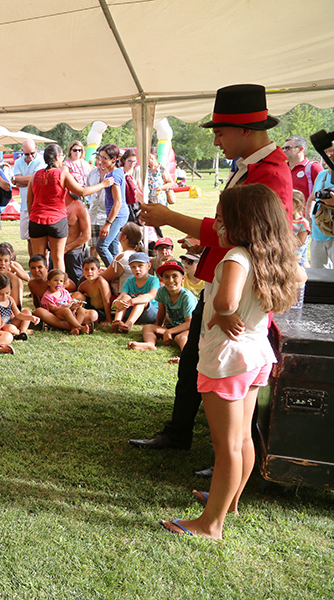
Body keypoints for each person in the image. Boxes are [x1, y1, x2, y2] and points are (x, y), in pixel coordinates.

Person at [131, 84, 293, 452]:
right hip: (226, 283)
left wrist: (171, 217)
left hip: (239, 293)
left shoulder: (271, 172)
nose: (217, 141)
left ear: (245, 130)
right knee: (194, 364)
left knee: (231, 373)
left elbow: (258, 236)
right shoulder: (254, 166)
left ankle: (230, 460)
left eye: (220, 132)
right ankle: (186, 436)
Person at [160, 184, 300, 538]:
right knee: (243, 440)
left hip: (226, 360)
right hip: (255, 355)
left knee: (225, 448)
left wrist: (221, 313)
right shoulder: (273, 255)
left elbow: (225, 301)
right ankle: (230, 500)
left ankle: (210, 523)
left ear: (243, 222)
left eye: (221, 220)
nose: (217, 226)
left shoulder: (237, 255)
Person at [28, 144, 111, 273]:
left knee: (38, 259)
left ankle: (40, 291)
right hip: (56, 221)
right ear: (57, 157)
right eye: (61, 156)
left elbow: (29, 201)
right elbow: (82, 192)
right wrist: (102, 185)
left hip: (36, 221)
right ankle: (58, 291)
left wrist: (33, 216)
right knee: (58, 258)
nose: (62, 159)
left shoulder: (35, 176)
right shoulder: (62, 174)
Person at [128, 260, 197, 354]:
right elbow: (161, 312)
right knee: (148, 328)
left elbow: (190, 323)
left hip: (188, 329)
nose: (170, 280)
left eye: (175, 276)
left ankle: (185, 355)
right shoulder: (162, 291)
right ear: (162, 279)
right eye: (166, 277)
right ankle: (149, 344)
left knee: (181, 337)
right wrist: (158, 328)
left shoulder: (187, 297)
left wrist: (169, 332)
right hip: (172, 327)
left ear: (183, 278)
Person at [94, 145, 129, 267]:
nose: (101, 160)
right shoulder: (113, 172)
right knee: (114, 249)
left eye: (105, 158)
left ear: (114, 159)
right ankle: (119, 277)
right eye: (100, 157)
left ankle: (114, 272)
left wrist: (108, 223)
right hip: (116, 215)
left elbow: (118, 202)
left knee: (101, 246)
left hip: (117, 216)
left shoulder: (114, 175)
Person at [110, 252, 159, 333]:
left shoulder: (154, 280)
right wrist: (117, 302)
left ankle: (128, 325)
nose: (137, 269)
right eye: (133, 267)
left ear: (149, 266)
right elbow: (122, 295)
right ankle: (116, 322)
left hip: (150, 313)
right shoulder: (129, 281)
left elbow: (151, 295)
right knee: (125, 297)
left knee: (142, 301)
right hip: (133, 311)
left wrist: (131, 302)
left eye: (140, 266)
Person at [11, 140, 46, 255]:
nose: (30, 156)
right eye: (27, 154)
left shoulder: (41, 160)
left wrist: (21, 180)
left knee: (42, 239)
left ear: (36, 149)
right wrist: (30, 179)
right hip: (25, 206)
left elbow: (35, 178)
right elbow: (27, 179)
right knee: (29, 238)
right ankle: (33, 264)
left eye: (32, 153)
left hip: (40, 206)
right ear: (22, 151)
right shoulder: (17, 162)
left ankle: (43, 265)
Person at [33, 269, 91, 334]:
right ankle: (79, 327)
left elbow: (70, 302)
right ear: (48, 283)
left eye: (61, 281)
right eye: (55, 280)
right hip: (58, 315)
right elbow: (53, 309)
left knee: (82, 310)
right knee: (65, 310)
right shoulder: (48, 296)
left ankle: (74, 328)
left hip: (70, 313)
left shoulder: (65, 292)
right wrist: (66, 307)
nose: (58, 282)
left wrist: (76, 305)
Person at [308, 142, 334, 268]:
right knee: (318, 277)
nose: (330, 154)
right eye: (327, 151)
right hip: (318, 234)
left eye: (333, 150)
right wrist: (309, 216)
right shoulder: (322, 175)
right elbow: (312, 198)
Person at [0, 274, 37, 340]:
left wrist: (30, 318)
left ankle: (23, 331)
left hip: (10, 322)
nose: (5, 296)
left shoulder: (10, 299)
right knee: (10, 328)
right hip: (0, 326)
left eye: (7, 293)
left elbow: (18, 314)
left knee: (27, 311)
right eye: (1, 294)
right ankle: (18, 332)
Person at [283, 135, 323, 200]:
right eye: (283, 148)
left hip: (307, 209)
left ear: (301, 149)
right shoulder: (282, 169)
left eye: (288, 148)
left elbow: (322, 191)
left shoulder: (313, 167)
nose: (284, 150)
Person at [76, 257, 111, 325]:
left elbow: (106, 301)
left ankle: (77, 321)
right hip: (89, 307)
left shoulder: (101, 282)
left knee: (92, 315)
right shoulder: (83, 285)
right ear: (83, 271)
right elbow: (77, 299)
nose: (89, 272)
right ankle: (74, 316)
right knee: (77, 294)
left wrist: (108, 319)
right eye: (86, 269)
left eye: (92, 269)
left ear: (99, 271)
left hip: (100, 311)